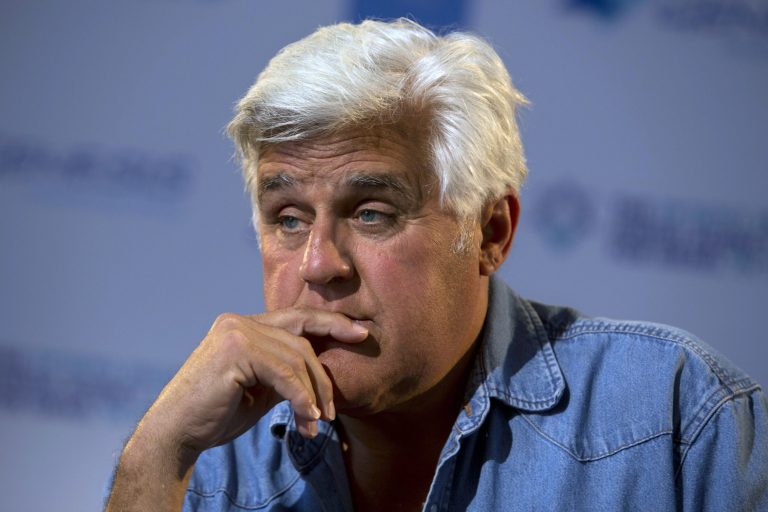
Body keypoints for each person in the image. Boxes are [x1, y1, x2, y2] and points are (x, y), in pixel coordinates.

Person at [106, 18, 767, 511]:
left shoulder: (673, 420)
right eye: (288, 218)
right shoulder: (210, 469)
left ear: (492, 230)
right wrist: (154, 453)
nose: (318, 265)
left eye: (371, 213)